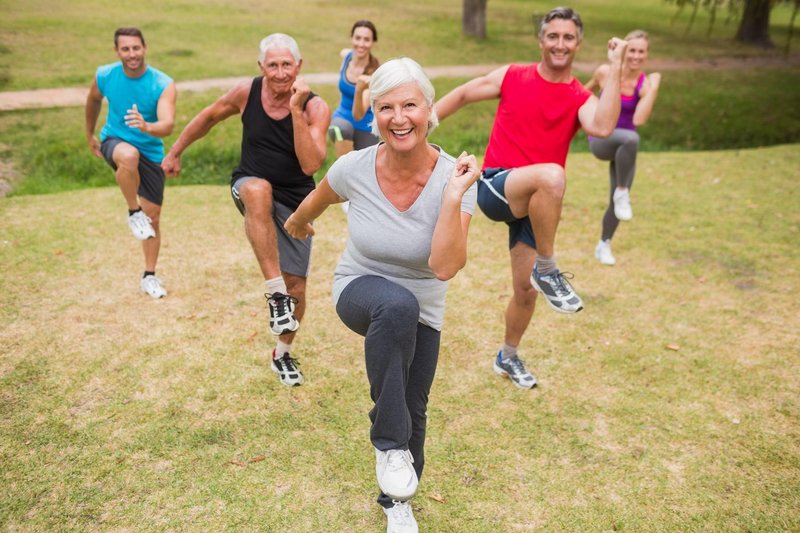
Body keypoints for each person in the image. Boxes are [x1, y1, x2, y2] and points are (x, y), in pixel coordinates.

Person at [285, 58, 479, 533]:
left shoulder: (457, 179)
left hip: (425, 308)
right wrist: (294, 224)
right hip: (360, 289)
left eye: (409, 104)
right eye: (385, 107)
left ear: (429, 110)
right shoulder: (355, 168)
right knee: (396, 305)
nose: (398, 117)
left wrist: (452, 198)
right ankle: (390, 446)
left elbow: (444, 267)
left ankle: (396, 503)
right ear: (374, 116)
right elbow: (319, 198)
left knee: (414, 403)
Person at [434, 6, 627, 389]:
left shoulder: (577, 97)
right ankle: (549, 268)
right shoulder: (513, 76)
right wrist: (421, 124)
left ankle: (507, 355)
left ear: (577, 44)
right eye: (553, 36)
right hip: (495, 186)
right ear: (541, 41)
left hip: (538, 203)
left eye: (568, 37)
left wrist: (616, 65)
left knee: (526, 291)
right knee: (554, 176)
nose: (560, 44)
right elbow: (464, 94)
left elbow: (604, 125)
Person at [161, 33, 330, 386]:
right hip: (250, 184)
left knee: (297, 287)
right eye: (273, 65)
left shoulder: (315, 107)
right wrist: (175, 151)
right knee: (258, 189)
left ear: (299, 67)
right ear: (261, 67)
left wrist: (296, 111)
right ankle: (274, 293)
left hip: (297, 200)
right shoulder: (247, 92)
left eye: (287, 65)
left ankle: (281, 354)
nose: (280, 73)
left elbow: (311, 163)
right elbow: (208, 117)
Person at [85, 27, 177, 299]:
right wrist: (89, 133)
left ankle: (149, 276)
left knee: (154, 219)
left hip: (151, 151)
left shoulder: (163, 83)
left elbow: (167, 125)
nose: (131, 54)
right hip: (115, 141)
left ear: (145, 48)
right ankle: (132, 211)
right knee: (128, 156)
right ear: (117, 51)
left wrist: (147, 126)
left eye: (136, 48)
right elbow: (92, 100)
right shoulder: (105, 75)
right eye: (125, 49)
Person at [585, 30, 662, 266]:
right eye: (632, 50)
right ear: (624, 51)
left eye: (641, 51)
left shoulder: (644, 84)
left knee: (617, 201)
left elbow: (638, 120)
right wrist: (588, 114)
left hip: (624, 149)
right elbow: (581, 94)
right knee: (632, 140)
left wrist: (654, 88)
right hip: (601, 139)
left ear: (646, 55)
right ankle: (622, 191)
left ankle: (604, 244)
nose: (636, 56)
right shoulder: (605, 72)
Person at [328, 20, 381, 158]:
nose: (361, 44)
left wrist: (359, 90)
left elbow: (358, 115)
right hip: (342, 117)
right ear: (351, 38)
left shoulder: (373, 74)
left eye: (366, 40)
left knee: (366, 168)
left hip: (365, 124)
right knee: (341, 129)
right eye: (357, 38)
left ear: (373, 43)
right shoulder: (347, 56)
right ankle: (340, 173)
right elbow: (343, 52)